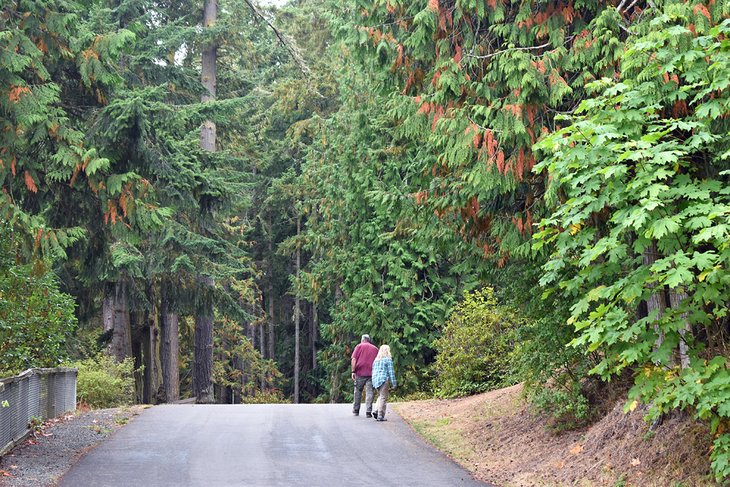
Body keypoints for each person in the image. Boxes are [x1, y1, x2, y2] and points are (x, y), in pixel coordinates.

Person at [351, 334, 379, 417]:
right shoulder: (375, 349)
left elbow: (354, 359)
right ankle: (368, 411)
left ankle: (356, 410)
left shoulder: (358, 346)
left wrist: (353, 371)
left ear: (362, 340)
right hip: (371, 373)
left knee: (357, 391)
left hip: (359, 373)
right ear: (368, 340)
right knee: (370, 392)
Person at [371, 344, 396, 422]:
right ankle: (380, 415)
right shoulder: (387, 359)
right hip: (383, 379)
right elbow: (391, 372)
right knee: (383, 397)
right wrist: (394, 383)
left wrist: (373, 381)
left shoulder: (376, 360)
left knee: (380, 396)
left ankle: (376, 410)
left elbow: (373, 371)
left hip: (376, 380)